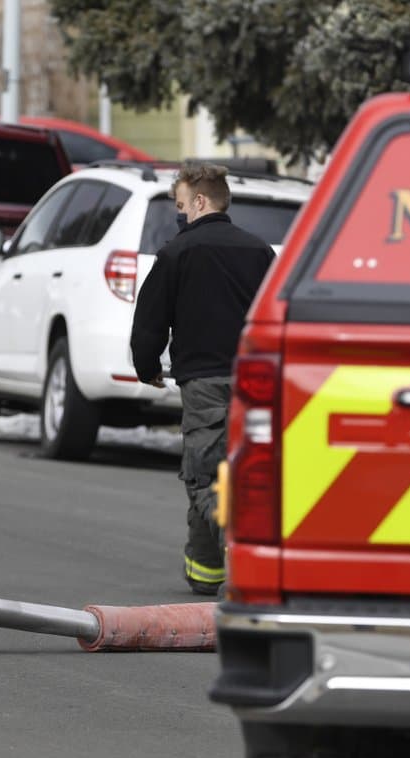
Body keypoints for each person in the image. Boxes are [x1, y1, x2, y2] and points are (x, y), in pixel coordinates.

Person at [130, 162, 275, 596]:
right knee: (250, 471)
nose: (178, 214)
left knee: (205, 475)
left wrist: (147, 366)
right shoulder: (259, 252)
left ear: (199, 201)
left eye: (179, 205)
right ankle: (204, 570)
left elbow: (150, 319)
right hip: (258, 383)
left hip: (205, 382)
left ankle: (240, 547)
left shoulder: (178, 253)